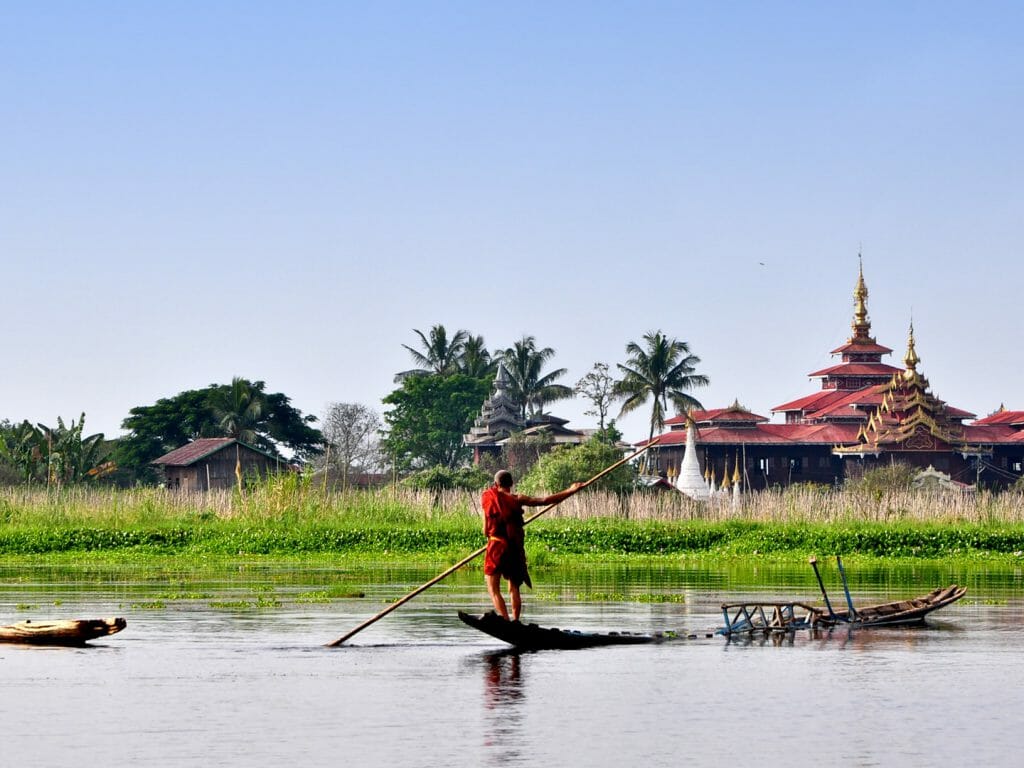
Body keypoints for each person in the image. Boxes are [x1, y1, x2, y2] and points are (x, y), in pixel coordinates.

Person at [480, 470, 582, 621]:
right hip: (514, 548)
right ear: (512, 484)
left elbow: (484, 530)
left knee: (493, 589)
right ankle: (515, 621)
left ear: (496, 484)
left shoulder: (488, 497)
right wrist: (571, 490)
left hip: (496, 545)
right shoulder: (517, 498)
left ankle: (506, 621)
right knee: (514, 587)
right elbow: (545, 500)